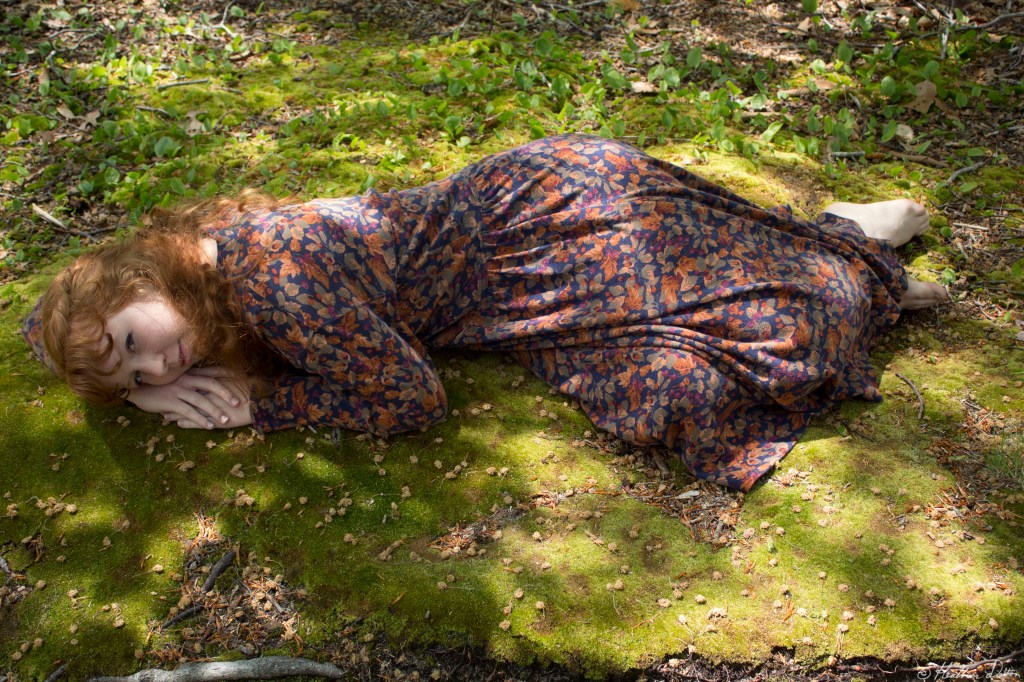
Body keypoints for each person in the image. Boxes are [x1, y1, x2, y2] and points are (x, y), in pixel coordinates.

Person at [22, 134, 947, 491]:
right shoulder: (220, 285)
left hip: (547, 231)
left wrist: (260, 408)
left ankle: (854, 245)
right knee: (674, 392)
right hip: (519, 266)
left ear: (141, 280)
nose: (159, 371)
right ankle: (848, 255)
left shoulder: (269, 284)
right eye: (137, 378)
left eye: (134, 343)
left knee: (781, 339)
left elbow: (410, 400)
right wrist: (127, 387)